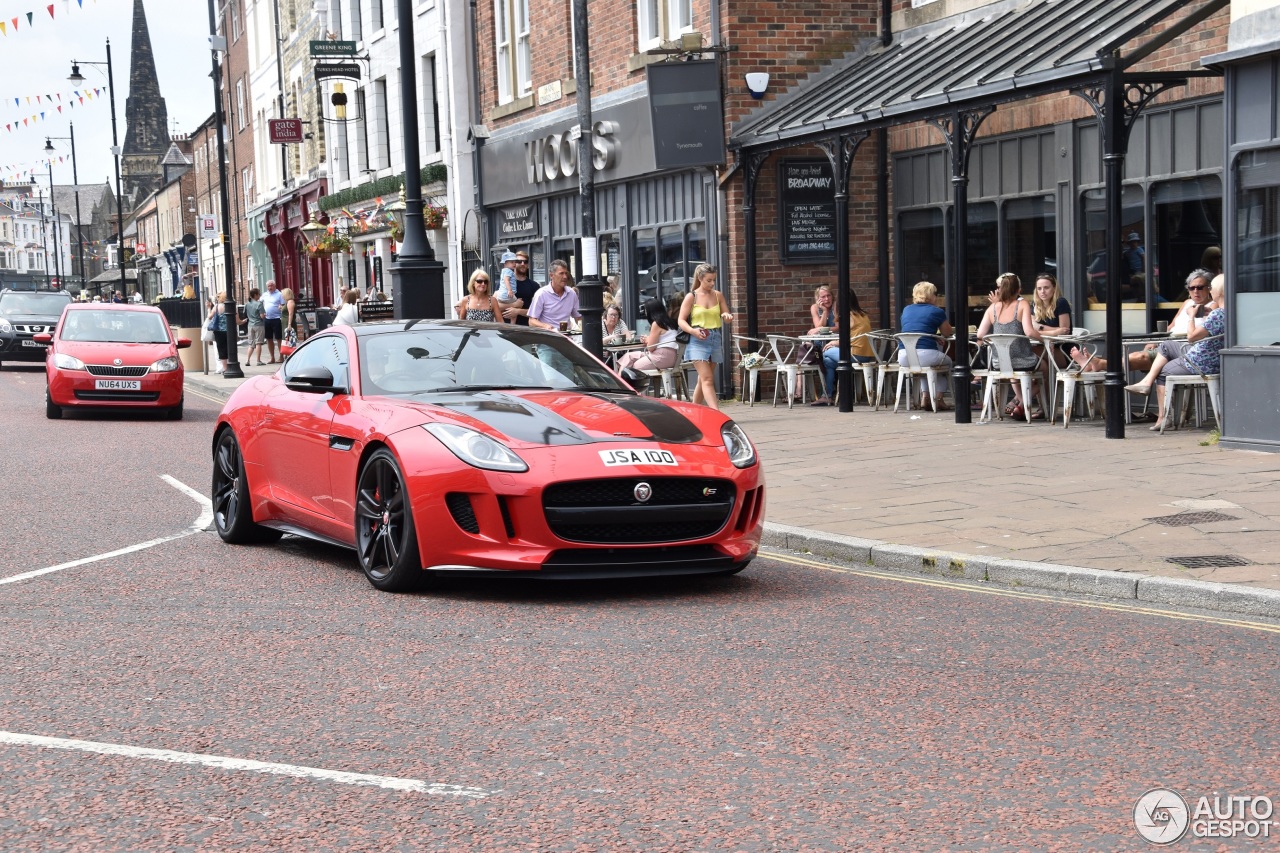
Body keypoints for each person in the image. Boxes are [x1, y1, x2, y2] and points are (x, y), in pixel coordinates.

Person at [1125, 275, 1226, 430]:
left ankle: (1163, 418)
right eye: (1192, 288)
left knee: (1163, 372)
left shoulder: (1217, 313)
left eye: (1209, 288)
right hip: (1214, 359)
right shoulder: (1228, 312)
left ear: (1218, 292)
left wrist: (1191, 317)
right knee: (1166, 345)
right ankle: (1146, 383)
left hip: (1201, 361)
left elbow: (1191, 337)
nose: (1199, 291)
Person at [1070, 268, 1216, 373]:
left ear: (1209, 288)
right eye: (1191, 288)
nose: (1195, 291)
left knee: (1139, 356)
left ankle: (1100, 364)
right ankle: (1099, 366)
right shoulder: (1186, 303)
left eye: (1200, 287)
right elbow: (1171, 326)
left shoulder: (1213, 306)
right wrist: (1155, 340)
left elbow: (1204, 333)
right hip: (1168, 345)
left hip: (1187, 351)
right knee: (1138, 358)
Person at [976, 272, 1044, 418]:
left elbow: (980, 334)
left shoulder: (992, 308)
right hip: (1023, 360)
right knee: (1047, 369)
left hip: (998, 362)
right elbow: (1029, 331)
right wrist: (1043, 340)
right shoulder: (1022, 304)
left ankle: (1019, 403)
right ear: (1019, 289)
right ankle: (1024, 403)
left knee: (1012, 368)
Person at [678, 263, 733, 411]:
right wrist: (692, 331)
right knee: (708, 379)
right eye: (709, 280)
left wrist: (726, 316)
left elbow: (725, 315)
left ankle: (693, 411)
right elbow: (681, 320)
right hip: (697, 339)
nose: (712, 283)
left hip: (715, 338)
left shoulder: (718, 295)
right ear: (700, 278)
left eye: (714, 279)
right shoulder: (692, 296)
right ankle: (716, 412)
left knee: (702, 379)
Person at [897, 280, 954, 411]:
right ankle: (938, 399)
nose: (937, 296)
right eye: (935, 294)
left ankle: (925, 398)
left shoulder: (906, 310)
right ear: (930, 295)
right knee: (947, 363)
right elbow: (947, 332)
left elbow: (914, 330)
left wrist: (934, 338)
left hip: (904, 356)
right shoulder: (936, 311)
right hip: (926, 354)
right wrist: (939, 337)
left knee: (923, 369)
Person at [813, 288, 874, 407]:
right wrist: (836, 342)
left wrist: (835, 343)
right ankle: (827, 396)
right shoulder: (862, 314)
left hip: (855, 354)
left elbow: (846, 339)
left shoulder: (848, 315)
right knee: (828, 362)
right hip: (867, 354)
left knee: (825, 352)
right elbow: (853, 336)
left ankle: (827, 395)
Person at [618, 296, 681, 372]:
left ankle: (621, 381)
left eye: (645, 310)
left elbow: (650, 348)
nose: (645, 313)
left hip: (661, 356)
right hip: (670, 356)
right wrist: (648, 339)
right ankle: (620, 379)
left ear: (650, 312)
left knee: (633, 368)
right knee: (628, 356)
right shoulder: (669, 322)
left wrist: (647, 339)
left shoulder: (657, 323)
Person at [527, 259, 581, 331]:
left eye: (566, 273)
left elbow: (578, 317)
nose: (565, 277)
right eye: (561, 273)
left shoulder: (571, 293)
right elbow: (531, 321)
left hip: (566, 337)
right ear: (551, 275)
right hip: (548, 338)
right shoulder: (541, 294)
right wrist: (545, 326)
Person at [206, 291, 230, 373]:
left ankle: (225, 368)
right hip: (229, 331)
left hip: (219, 331)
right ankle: (231, 365)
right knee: (230, 348)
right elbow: (237, 320)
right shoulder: (231, 306)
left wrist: (209, 308)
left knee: (221, 349)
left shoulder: (216, 307)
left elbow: (210, 317)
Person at [261, 279, 285, 363]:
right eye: (268, 286)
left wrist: (281, 308)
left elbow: (283, 305)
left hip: (277, 318)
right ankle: (272, 357)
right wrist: (261, 313)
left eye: (271, 285)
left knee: (279, 338)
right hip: (267, 319)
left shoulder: (279, 294)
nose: (270, 287)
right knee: (269, 339)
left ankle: (281, 357)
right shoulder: (264, 295)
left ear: (275, 286)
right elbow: (259, 303)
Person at [243, 287, 266, 365]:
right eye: (259, 294)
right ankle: (258, 361)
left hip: (250, 325)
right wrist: (265, 315)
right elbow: (262, 316)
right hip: (259, 324)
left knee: (251, 344)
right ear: (255, 295)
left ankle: (248, 360)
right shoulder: (259, 304)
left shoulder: (247, 304)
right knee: (258, 343)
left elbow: (245, 313)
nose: (259, 295)